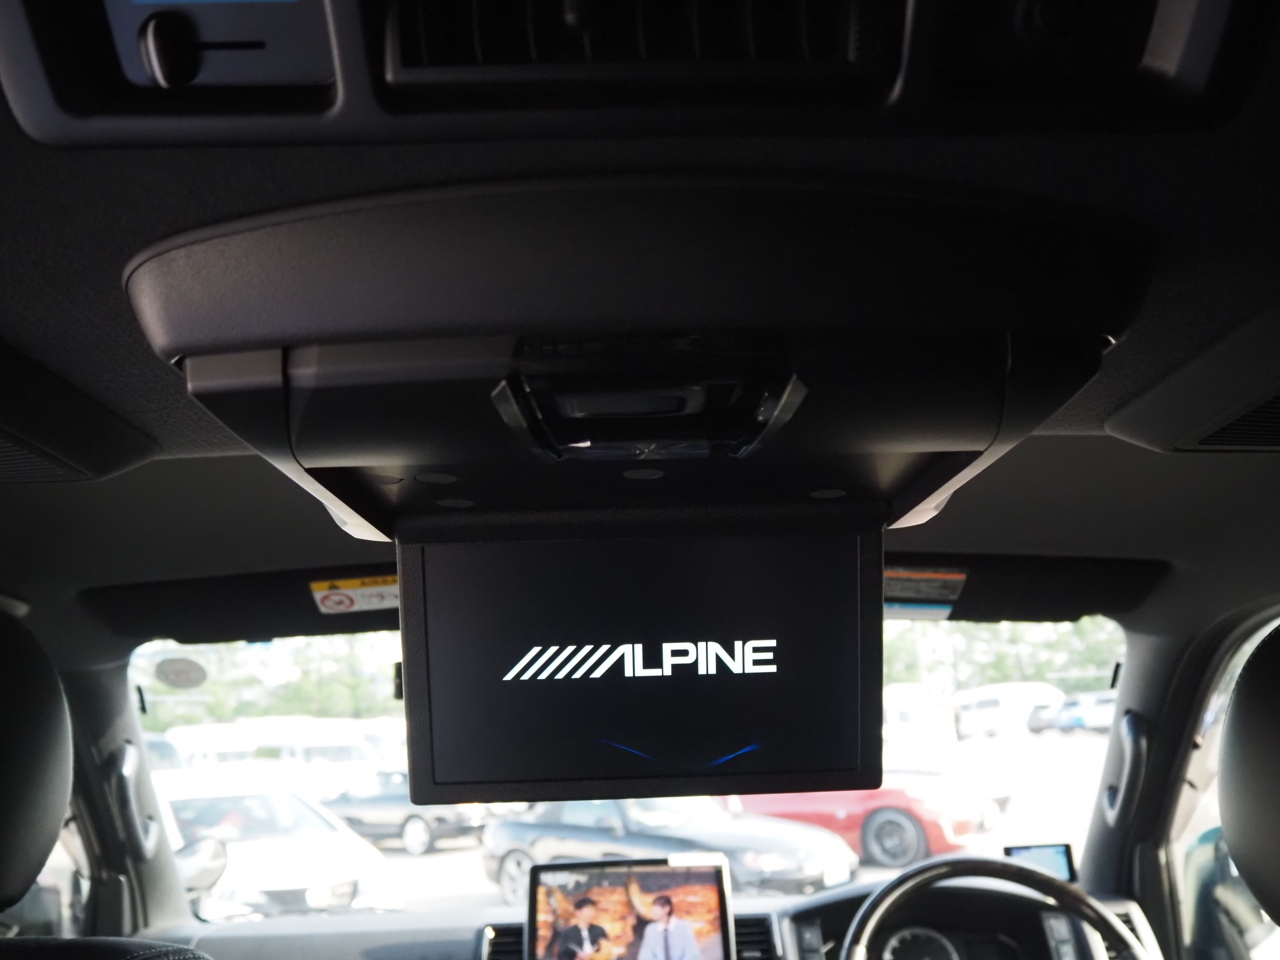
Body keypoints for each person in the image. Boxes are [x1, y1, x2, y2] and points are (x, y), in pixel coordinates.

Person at [637, 895, 701, 960]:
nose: (653, 912)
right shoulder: (651, 930)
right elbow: (645, 955)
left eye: (656, 909)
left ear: (666, 909)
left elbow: (691, 954)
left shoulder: (683, 927)